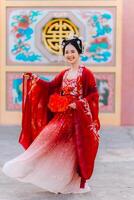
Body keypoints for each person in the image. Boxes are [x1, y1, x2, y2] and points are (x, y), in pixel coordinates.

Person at [2, 35, 100, 194]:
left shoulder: (86, 73)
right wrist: (34, 79)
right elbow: (50, 87)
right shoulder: (65, 73)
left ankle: (72, 184)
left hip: (78, 119)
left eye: (72, 51)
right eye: (66, 52)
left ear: (79, 51)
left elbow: (94, 95)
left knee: (73, 153)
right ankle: (24, 165)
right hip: (63, 117)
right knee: (45, 141)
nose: (69, 54)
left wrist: (79, 103)